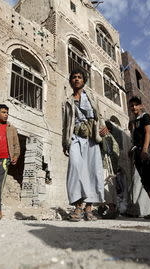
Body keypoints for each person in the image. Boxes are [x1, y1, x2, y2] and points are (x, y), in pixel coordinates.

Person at [62, 69, 108, 221]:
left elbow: (99, 115)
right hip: (75, 137)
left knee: (91, 171)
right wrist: (65, 142)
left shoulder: (91, 97)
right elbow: (65, 124)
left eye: (79, 77)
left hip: (91, 137)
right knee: (75, 168)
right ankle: (77, 206)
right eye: (73, 77)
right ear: (71, 81)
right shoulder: (67, 101)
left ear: (84, 80)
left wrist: (103, 127)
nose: (76, 79)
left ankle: (89, 208)